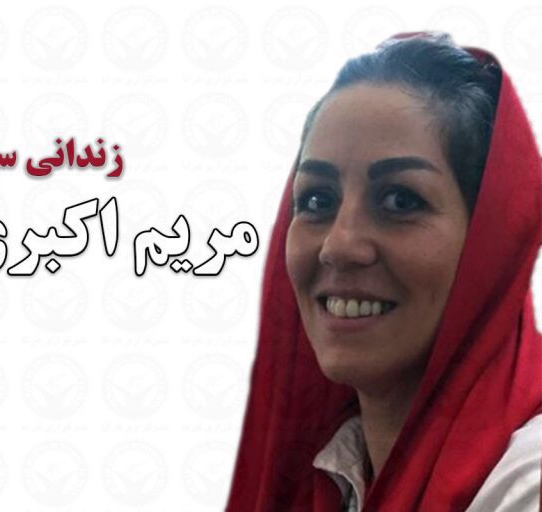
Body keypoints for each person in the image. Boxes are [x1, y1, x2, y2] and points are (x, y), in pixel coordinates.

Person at [225, 32, 542, 511]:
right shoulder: (333, 475)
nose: (339, 246)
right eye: (317, 199)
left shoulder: (525, 485)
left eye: (399, 200)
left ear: (492, 240)